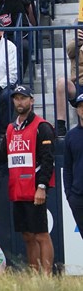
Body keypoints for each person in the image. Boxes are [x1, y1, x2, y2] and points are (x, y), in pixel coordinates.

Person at [0, 84, 55, 272]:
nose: (19, 101)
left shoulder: (42, 127)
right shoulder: (11, 128)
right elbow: (0, 155)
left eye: (23, 98)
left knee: (41, 235)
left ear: (32, 100)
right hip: (18, 188)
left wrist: (42, 186)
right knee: (27, 236)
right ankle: (33, 275)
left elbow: (48, 161)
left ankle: (46, 279)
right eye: (16, 98)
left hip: (34, 188)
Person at [55, 28, 83, 137]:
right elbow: (70, 51)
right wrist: (78, 40)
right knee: (62, 82)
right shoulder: (76, 42)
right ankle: (60, 126)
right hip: (78, 85)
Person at [63, 93, 83, 236]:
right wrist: (69, 195)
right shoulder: (71, 136)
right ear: (77, 110)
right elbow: (67, 168)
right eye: (81, 107)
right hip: (78, 197)